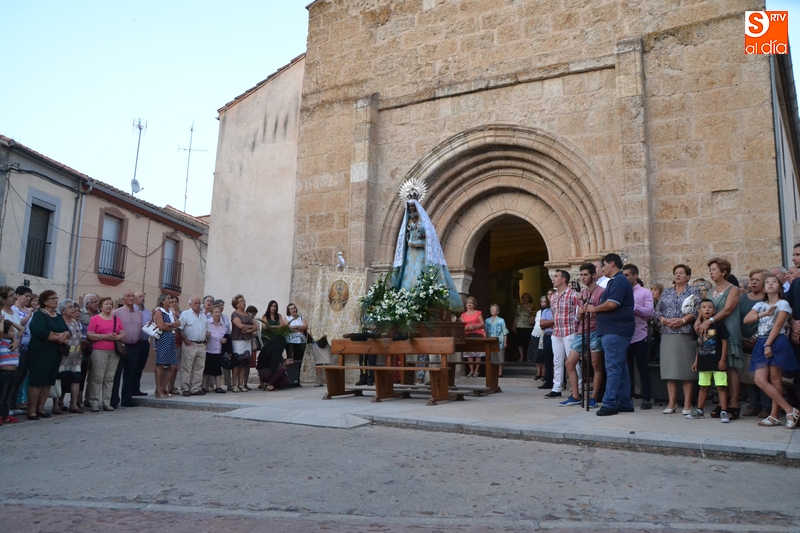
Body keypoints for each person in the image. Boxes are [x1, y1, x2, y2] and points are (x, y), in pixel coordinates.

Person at [390, 190, 462, 312]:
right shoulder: (408, 222)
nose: (411, 209)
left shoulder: (424, 223)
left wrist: (421, 238)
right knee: (408, 276)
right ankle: (405, 301)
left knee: (420, 273)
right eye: (409, 207)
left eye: (413, 206)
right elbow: (404, 239)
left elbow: (429, 239)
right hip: (410, 254)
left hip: (421, 254)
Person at [744, 275, 799, 428]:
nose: (770, 284)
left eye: (774, 282)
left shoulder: (783, 303)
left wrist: (768, 344)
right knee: (759, 379)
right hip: (762, 341)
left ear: (779, 287)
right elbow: (747, 319)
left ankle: (774, 415)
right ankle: (790, 409)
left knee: (775, 379)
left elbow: (778, 325)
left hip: (776, 341)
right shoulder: (760, 305)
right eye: (767, 282)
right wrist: (764, 314)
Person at [586, 253, 635, 416]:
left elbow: (612, 304)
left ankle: (609, 403)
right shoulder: (615, 281)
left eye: (604, 265)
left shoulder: (619, 281)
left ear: (612, 264)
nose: (602, 268)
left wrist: (594, 308)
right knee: (620, 366)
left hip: (615, 330)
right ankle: (625, 401)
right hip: (614, 330)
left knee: (613, 367)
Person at [696, 257, 743, 420]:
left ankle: (734, 404)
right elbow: (705, 307)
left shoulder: (733, 289)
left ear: (723, 272)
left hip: (728, 329)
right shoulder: (710, 292)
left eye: (714, 269)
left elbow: (727, 310)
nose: (711, 273)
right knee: (717, 367)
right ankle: (723, 403)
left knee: (730, 367)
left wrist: (709, 321)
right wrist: (698, 320)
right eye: (710, 270)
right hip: (712, 334)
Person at [653, 264, 700, 415]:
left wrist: (683, 321)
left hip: (685, 333)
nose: (678, 275)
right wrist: (664, 320)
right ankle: (672, 402)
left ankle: (687, 403)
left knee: (686, 370)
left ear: (688, 276)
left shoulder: (693, 291)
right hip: (668, 333)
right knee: (670, 370)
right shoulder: (667, 292)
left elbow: (697, 310)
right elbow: (657, 311)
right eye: (676, 273)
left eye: (681, 273)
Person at [561, 263, 604, 408]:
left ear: (593, 275)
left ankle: (594, 397)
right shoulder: (582, 294)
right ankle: (575, 395)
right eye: (581, 275)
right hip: (582, 331)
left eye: (585, 275)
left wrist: (593, 310)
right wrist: (580, 313)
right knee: (569, 363)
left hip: (595, 330)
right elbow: (578, 318)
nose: (583, 278)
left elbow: (605, 312)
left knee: (595, 364)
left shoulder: (601, 292)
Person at [27, 290, 69, 419]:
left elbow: (67, 330)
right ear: (45, 301)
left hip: (55, 352)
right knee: (37, 380)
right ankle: (31, 410)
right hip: (40, 352)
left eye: (56, 298)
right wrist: (58, 337)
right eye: (52, 298)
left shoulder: (58, 316)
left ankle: (41, 408)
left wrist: (65, 334)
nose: (56, 300)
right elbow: (38, 331)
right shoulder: (39, 315)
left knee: (48, 381)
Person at [688, 299, 730, 422]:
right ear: (699, 311)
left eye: (710, 307)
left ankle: (724, 412)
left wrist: (723, 359)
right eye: (704, 307)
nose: (707, 309)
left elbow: (724, 342)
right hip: (703, 361)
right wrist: (696, 361)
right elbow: (698, 345)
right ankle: (699, 410)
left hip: (717, 361)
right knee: (703, 386)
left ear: (714, 311)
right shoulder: (698, 328)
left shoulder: (719, 325)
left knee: (721, 387)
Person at [740, 269, 772, 418]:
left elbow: (769, 321)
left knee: (763, 374)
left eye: (757, 280)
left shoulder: (767, 300)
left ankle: (766, 407)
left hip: (762, 340)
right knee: (749, 372)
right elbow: (738, 319)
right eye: (752, 279)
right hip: (745, 340)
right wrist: (742, 337)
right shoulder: (743, 299)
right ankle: (753, 405)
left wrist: (756, 337)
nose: (753, 282)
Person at [623, 264, 654, 410]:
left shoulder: (645, 292)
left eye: (627, 275)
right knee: (626, 369)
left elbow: (649, 312)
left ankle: (646, 398)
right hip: (624, 335)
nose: (625, 278)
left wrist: (632, 307)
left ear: (635, 276)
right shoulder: (621, 292)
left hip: (640, 335)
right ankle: (627, 397)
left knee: (643, 368)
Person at [545, 270, 580, 399]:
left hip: (570, 331)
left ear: (563, 279)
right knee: (557, 360)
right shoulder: (553, 297)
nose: (553, 279)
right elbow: (554, 313)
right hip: (557, 331)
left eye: (556, 276)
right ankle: (556, 388)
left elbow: (578, 312)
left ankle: (578, 388)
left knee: (573, 361)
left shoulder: (573, 295)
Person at [87, 297, 125, 412]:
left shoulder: (116, 319)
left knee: (109, 378)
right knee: (97, 377)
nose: (109, 306)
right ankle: (94, 402)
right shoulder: (95, 319)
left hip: (114, 351)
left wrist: (117, 337)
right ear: (101, 307)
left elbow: (123, 333)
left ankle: (106, 402)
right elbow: (90, 334)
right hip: (99, 350)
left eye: (110, 304)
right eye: (106, 304)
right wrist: (103, 337)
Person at [111, 290, 143, 408]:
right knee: (117, 373)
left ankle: (127, 399)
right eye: (128, 296)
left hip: (135, 346)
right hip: (121, 346)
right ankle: (113, 400)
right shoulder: (116, 313)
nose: (131, 298)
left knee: (130, 374)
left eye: (133, 296)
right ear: (123, 299)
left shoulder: (139, 313)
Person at [178, 296, 209, 396]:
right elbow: (180, 329)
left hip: (201, 345)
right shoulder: (185, 314)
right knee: (187, 367)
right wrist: (186, 340)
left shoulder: (203, 316)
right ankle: (185, 388)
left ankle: (196, 388)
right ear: (190, 304)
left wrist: (206, 339)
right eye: (195, 303)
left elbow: (207, 329)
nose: (198, 305)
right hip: (190, 344)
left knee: (199, 368)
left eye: (199, 303)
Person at [57, 299, 84, 414]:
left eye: (73, 307)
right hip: (63, 357)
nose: (73, 309)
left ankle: (73, 404)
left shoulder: (76, 322)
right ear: (63, 311)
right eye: (70, 307)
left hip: (76, 357)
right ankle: (57, 404)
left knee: (76, 379)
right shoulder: (59, 322)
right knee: (60, 380)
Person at [153, 294, 180, 398]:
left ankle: (164, 387)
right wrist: (170, 326)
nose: (170, 301)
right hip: (162, 339)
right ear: (162, 301)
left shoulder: (170, 312)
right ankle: (158, 389)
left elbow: (178, 323)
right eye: (168, 299)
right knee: (160, 364)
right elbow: (161, 326)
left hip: (171, 339)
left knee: (173, 365)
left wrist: (169, 325)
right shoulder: (159, 311)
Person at [230, 295, 257, 392]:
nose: (244, 302)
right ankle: (234, 384)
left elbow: (255, 327)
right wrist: (248, 327)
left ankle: (241, 384)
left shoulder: (247, 314)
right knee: (237, 362)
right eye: (241, 301)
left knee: (244, 363)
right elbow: (240, 326)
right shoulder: (235, 314)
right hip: (238, 341)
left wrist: (247, 330)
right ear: (237, 304)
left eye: (244, 300)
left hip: (247, 340)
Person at [77, 293, 98, 407]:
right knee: (82, 373)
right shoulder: (80, 313)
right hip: (83, 348)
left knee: (93, 375)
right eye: (95, 302)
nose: (97, 304)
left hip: (96, 347)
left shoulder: (100, 314)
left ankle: (89, 399)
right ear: (87, 304)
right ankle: (78, 399)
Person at [0, 320, 20, 424]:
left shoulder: (14, 341)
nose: (14, 332)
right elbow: (0, 331)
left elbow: (22, 329)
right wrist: (2, 321)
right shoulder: (1, 341)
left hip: (13, 372)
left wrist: (14, 338)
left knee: (8, 395)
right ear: (4, 334)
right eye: (11, 330)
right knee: (2, 395)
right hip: (4, 372)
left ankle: (5, 415)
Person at [204, 305, 227, 393]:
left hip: (218, 350)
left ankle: (218, 387)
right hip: (208, 349)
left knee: (218, 369)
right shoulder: (207, 323)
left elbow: (226, 334)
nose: (218, 314)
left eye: (219, 312)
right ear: (211, 313)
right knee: (206, 370)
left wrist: (225, 339)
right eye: (216, 312)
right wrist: (206, 335)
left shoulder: (222, 324)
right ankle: (203, 386)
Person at [132, 292, 152, 397]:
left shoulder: (147, 312)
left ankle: (136, 389)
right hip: (134, 342)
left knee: (140, 366)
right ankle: (129, 390)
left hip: (144, 342)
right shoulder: (132, 311)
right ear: (134, 299)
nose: (143, 298)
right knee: (132, 367)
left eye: (143, 296)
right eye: (140, 296)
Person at [460, 296, 485, 377]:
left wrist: (475, 327)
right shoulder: (463, 315)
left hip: (477, 333)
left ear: (474, 304)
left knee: (478, 353)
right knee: (469, 353)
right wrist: (467, 328)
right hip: (467, 334)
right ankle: (471, 370)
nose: (469, 304)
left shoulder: (478, 313)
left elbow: (482, 323)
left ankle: (477, 370)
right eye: (468, 302)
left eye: (471, 302)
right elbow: (461, 326)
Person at [284, 303, 307, 383]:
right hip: (290, 342)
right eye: (291, 309)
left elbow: (305, 327)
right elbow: (288, 328)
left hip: (300, 342)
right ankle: (291, 379)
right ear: (289, 311)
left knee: (299, 360)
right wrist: (300, 329)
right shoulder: (287, 318)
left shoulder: (301, 317)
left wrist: (295, 327)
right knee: (291, 360)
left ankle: (297, 379)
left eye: (294, 308)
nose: (293, 310)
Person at [485, 304, 509, 377]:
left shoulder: (501, 320)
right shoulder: (487, 321)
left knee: (500, 357)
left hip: (500, 341)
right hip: (490, 341)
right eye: (491, 309)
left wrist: (505, 342)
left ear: (497, 311)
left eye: (494, 309)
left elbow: (505, 332)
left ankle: (500, 372)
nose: (492, 310)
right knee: (492, 357)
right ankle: (493, 372)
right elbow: (485, 332)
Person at [512, 293, 534, 362]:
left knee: (528, 342)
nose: (525, 299)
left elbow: (533, 316)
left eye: (526, 297)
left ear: (529, 299)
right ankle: (521, 357)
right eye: (523, 297)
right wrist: (514, 326)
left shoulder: (532, 306)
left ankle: (528, 357)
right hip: (520, 325)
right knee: (520, 342)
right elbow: (516, 316)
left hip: (528, 326)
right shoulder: (518, 306)